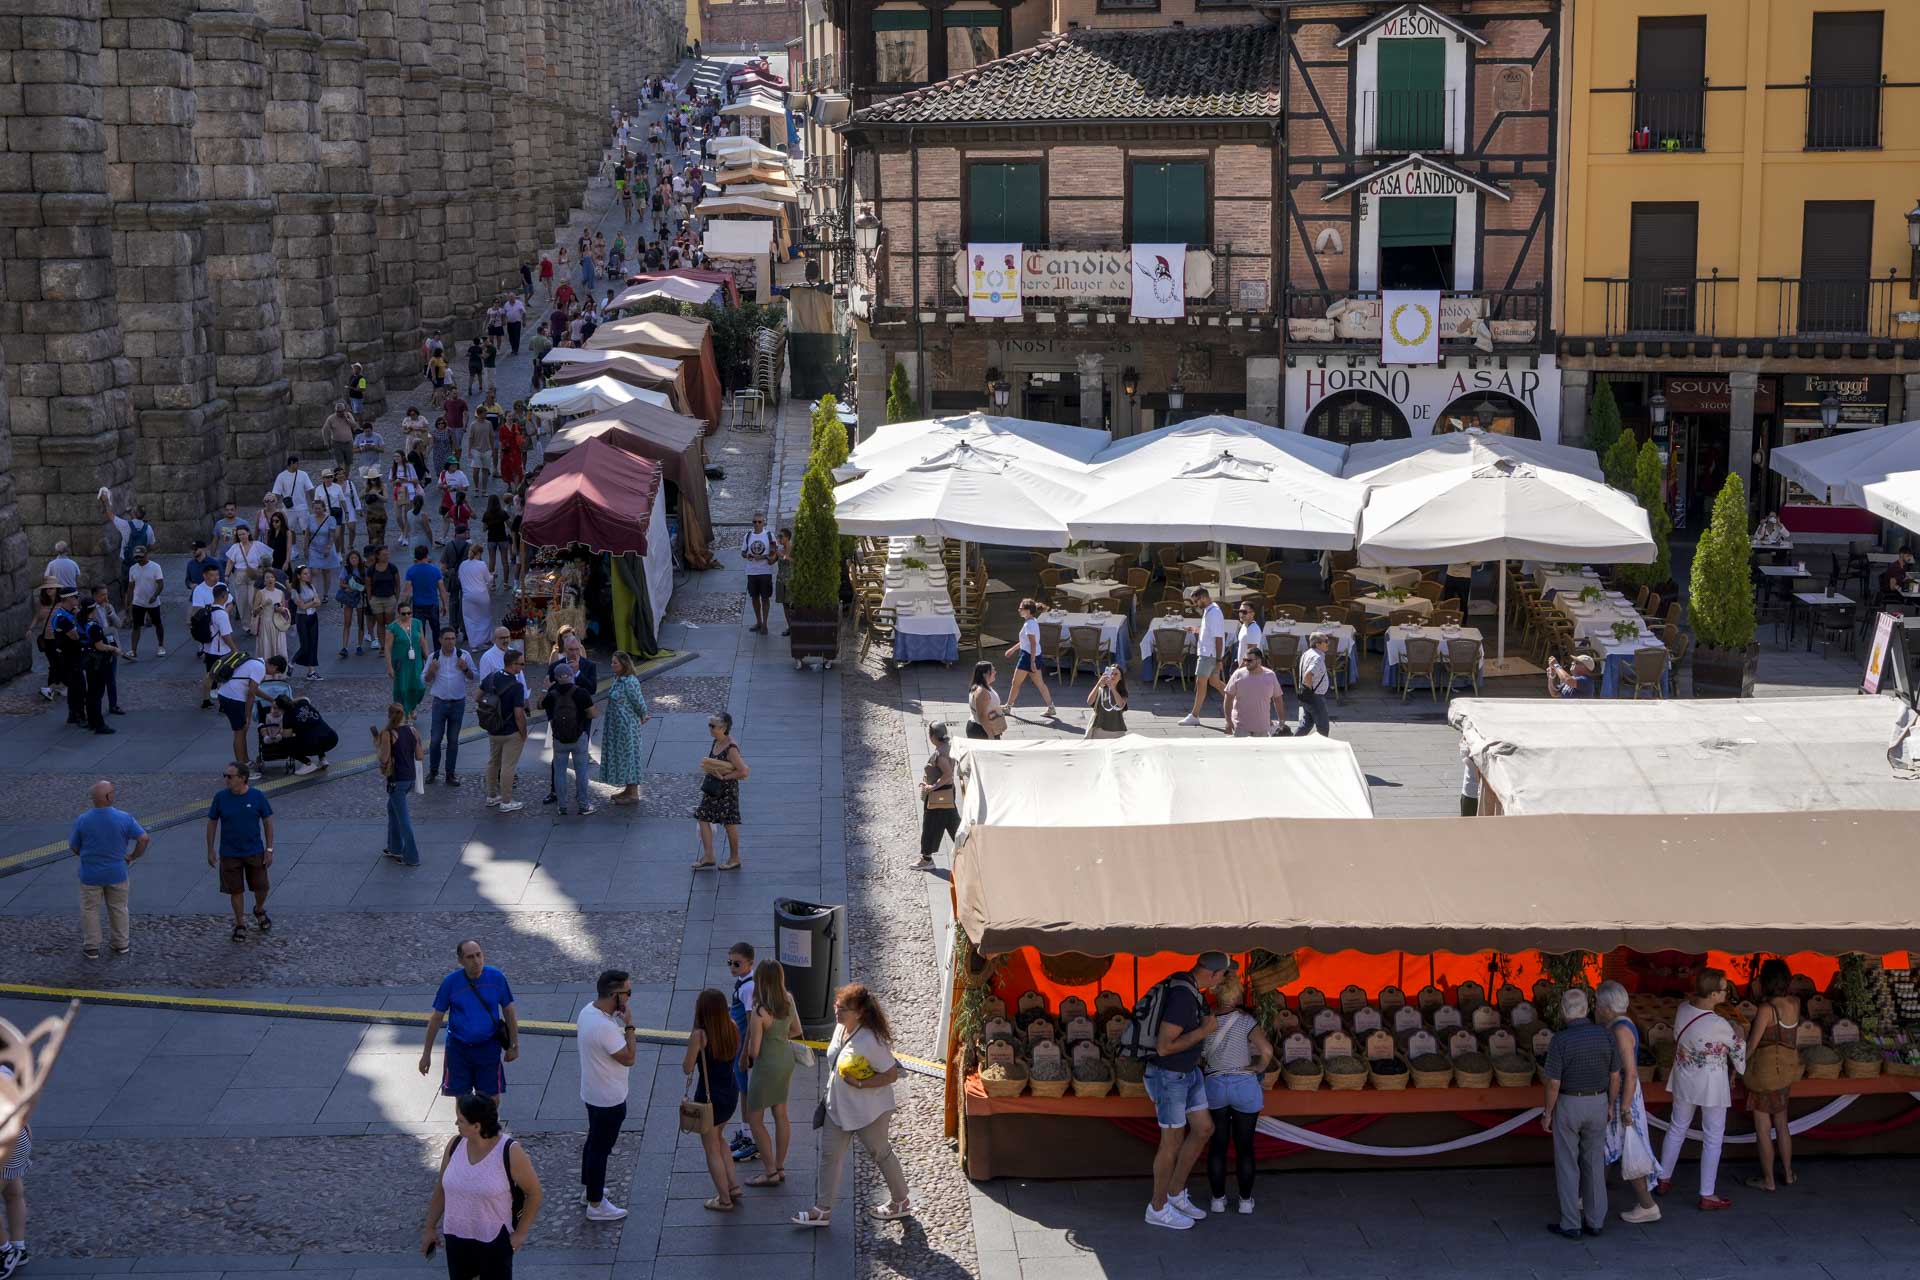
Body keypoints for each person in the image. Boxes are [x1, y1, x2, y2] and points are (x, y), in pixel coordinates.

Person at [791, 983, 910, 1227]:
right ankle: (822, 1210)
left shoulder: (871, 1041)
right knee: (829, 1156)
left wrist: (859, 1084)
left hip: (869, 1112)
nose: (838, 1011)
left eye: (844, 1008)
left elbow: (890, 1075)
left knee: (881, 1153)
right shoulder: (840, 1028)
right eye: (837, 1006)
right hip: (838, 1107)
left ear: (860, 1013)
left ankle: (901, 1201)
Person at [1142, 953, 1228, 1231]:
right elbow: (1164, 1047)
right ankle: (1157, 1207)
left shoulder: (1190, 988)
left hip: (1189, 1073)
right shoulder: (1183, 996)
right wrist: (1204, 1031)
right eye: (1225, 974)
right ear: (1214, 975)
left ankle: (1175, 1193)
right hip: (1170, 1077)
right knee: (1172, 1142)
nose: (1225, 980)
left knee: (1203, 1128)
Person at [419, 1093, 542, 1279]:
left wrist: (521, 1233)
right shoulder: (455, 1145)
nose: (456, 1124)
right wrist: (429, 1227)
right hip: (456, 1236)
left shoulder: (509, 1151)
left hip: (493, 1240)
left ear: (477, 1126)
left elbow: (534, 1193)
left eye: (460, 1120)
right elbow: (442, 1189)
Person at [1655, 967, 1745, 1211]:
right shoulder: (1719, 1024)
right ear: (1714, 994)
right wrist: (1739, 1033)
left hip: (1684, 1078)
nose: (1727, 993)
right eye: (1725, 990)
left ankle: (1663, 1178)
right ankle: (1707, 1193)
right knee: (1713, 1138)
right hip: (1711, 1085)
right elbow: (1738, 1052)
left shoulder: (1684, 1009)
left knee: (1677, 1127)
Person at [1542, 987, 1622, 1239]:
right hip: (1598, 1102)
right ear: (1587, 1009)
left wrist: (1547, 1113)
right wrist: (1610, 1104)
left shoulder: (1560, 1040)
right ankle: (1596, 1221)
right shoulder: (1606, 1036)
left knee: (1567, 1165)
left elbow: (1553, 1083)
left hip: (1569, 1103)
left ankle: (1571, 1223)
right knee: (1594, 1163)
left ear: (1565, 1011)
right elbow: (1615, 1075)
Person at [1201, 969, 1271, 1216]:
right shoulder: (1245, 1021)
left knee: (1217, 1147)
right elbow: (1266, 1050)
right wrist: (1257, 1068)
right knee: (1245, 1147)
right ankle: (1244, 1201)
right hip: (1244, 1085)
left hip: (1215, 1086)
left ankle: (1217, 1200)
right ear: (1237, 992)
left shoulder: (1206, 1020)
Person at [422, 939, 520, 1102]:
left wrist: (514, 1045)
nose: (476, 961)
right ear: (460, 961)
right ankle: (465, 1125)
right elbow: (435, 1019)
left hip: (488, 1047)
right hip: (459, 1050)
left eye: (478, 955)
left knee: (492, 1099)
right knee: (462, 1100)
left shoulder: (496, 978)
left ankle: (488, 1126)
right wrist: (426, 1054)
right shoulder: (450, 983)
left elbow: (509, 1011)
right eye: (470, 957)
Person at [1597, 980, 1662, 1224]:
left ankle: (1648, 1205)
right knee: (1605, 1145)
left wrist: (1623, 1108)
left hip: (1624, 1096)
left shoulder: (1620, 1030)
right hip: (1621, 1094)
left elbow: (1631, 1072)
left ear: (1605, 1007)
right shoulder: (1622, 1024)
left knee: (1629, 1149)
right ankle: (1593, 1194)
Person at [577, 969, 639, 1221]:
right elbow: (629, 1058)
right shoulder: (606, 1028)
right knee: (601, 1149)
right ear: (615, 995)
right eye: (628, 993)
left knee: (593, 1143)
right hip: (609, 1098)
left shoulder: (587, 1011)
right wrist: (630, 1026)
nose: (629, 998)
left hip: (592, 1091)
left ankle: (590, 1189)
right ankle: (596, 1203)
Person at [682, 987, 744, 1212]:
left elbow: (687, 1067)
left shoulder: (700, 1036)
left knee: (711, 1149)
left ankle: (724, 1199)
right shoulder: (733, 1027)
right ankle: (733, 1186)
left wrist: (694, 1032)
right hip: (730, 1092)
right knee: (720, 1140)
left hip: (709, 1099)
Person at [71, 780, 149, 959]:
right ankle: (121, 944)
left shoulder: (83, 820)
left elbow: (74, 846)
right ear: (108, 797)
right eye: (113, 792)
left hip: (90, 874)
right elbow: (144, 838)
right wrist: (132, 856)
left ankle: (92, 947)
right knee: (119, 908)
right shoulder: (124, 817)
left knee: (90, 909)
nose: (114, 794)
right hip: (117, 873)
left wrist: (87, 856)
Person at [742, 959, 801, 1190]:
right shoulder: (788, 999)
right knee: (781, 1113)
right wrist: (779, 1037)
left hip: (766, 1065)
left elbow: (754, 1051)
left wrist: (748, 1050)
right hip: (786, 1060)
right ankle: (780, 1166)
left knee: (755, 1118)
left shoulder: (760, 1011)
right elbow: (796, 1030)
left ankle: (769, 1172)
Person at [1744, 957, 1802, 1193]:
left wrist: (1735, 1067)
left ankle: (1768, 1180)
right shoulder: (1795, 1003)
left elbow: (1752, 1046)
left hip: (1764, 1074)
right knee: (1782, 1123)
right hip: (1785, 1073)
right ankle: (1788, 1174)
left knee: (1762, 1127)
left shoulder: (1766, 1010)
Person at [206, 759, 274, 943]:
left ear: (242, 778)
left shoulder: (257, 796)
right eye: (225, 775)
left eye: (229, 776)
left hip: (254, 851)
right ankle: (240, 923)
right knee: (235, 890)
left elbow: (267, 821)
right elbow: (212, 823)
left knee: (262, 886)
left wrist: (269, 849)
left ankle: (259, 909)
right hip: (230, 853)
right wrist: (210, 849)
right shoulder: (220, 797)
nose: (226, 779)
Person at [691, 712, 747, 870]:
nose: (710, 728)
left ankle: (735, 858)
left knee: (729, 823)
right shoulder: (717, 741)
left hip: (726, 790)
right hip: (713, 788)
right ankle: (709, 855)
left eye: (713, 726)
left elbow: (743, 771)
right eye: (710, 725)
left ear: (724, 728)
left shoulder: (731, 748)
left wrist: (725, 777)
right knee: (702, 817)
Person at [542, 662, 597, 815]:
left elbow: (541, 705)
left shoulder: (552, 693)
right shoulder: (581, 692)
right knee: (581, 772)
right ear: (571, 675)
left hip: (559, 738)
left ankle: (562, 806)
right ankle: (584, 805)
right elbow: (593, 713)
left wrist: (545, 688)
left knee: (559, 773)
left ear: (557, 678)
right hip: (579, 737)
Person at [374, 702, 425, 867]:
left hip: (397, 781)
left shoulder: (388, 734)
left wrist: (378, 745)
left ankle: (412, 856)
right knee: (392, 809)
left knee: (404, 820)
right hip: (410, 778)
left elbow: (384, 759)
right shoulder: (412, 730)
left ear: (389, 716)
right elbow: (419, 756)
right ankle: (394, 847)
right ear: (404, 715)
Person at [425, 629, 477, 786]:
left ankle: (450, 773)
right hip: (439, 703)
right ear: (440, 640)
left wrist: (465, 668)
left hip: (457, 704)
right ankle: (433, 771)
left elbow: (474, 676)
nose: (450, 642)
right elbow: (425, 679)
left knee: (453, 740)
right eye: (447, 639)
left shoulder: (464, 656)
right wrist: (431, 671)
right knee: (435, 740)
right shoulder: (433, 657)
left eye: (453, 638)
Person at [600, 650, 650, 805]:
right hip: (616, 726)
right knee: (621, 756)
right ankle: (628, 789)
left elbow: (638, 701)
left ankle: (633, 793)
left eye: (615, 662)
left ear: (624, 664)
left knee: (629, 757)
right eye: (612, 662)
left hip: (626, 726)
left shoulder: (630, 681)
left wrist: (644, 715)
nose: (612, 665)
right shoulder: (618, 679)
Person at [482, 650, 530, 812]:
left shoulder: (492, 677)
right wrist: (524, 732)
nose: (522, 667)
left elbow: (477, 696)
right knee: (508, 766)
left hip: (494, 729)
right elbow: (518, 714)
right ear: (513, 664)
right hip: (511, 732)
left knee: (493, 762)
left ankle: (491, 796)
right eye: (521, 664)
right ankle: (506, 801)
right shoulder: (517, 686)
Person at [1178, 588, 1228, 727]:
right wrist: (1194, 630)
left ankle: (1194, 715)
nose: (1195, 605)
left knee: (1201, 683)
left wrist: (1219, 660)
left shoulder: (1214, 613)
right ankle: (1236, 702)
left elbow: (1218, 638)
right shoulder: (1210, 610)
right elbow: (1209, 631)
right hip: (1209, 654)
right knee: (1215, 683)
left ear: (1204, 598)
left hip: (1208, 654)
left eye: (1196, 601)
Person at [215, 647, 268, 776]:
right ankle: (242, 770)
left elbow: (253, 689)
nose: (269, 675)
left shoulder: (254, 662)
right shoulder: (260, 668)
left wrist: (271, 699)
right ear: (272, 666)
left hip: (228, 695)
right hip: (233, 699)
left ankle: (245, 761)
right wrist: (248, 716)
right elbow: (251, 694)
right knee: (239, 732)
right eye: (274, 671)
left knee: (242, 731)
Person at [1002, 598, 1056, 717]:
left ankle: (1008, 707)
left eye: (1021, 608)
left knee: (1015, 683)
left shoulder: (1028, 625)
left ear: (1027, 611)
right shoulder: (1032, 621)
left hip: (1028, 657)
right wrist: (1012, 649)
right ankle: (1051, 707)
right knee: (1040, 684)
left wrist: (1031, 661)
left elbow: (1032, 643)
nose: (1019, 610)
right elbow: (1025, 641)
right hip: (1034, 655)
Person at [916, 721, 958, 868]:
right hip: (946, 793)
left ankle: (926, 859)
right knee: (953, 823)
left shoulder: (940, 755)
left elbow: (947, 774)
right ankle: (969, 849)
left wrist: (932, 787)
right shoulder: (948, 746)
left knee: (930, 826)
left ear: (933, 736)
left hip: (938, 794)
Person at [1223, 647, 1287, 738]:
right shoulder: (1238, 674)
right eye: (1244, 660)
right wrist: (1228, 721)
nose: (1246, 663)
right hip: (1241, 727)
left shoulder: (1270, 675)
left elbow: (1278, 699)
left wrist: (1281, 721)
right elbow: (1228, 698)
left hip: (1262, 728)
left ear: (1259, 660)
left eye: (1249, 660)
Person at [386, 601, 429, 718]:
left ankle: (412, 706)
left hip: (416, 661)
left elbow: (423, 641)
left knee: (419, 687)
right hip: (401, 663)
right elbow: (387, 648)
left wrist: (428, 658)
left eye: (409, 613)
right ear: (398, 614)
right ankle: (405, 711)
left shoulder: (417, 623)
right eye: (404, 614)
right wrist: (389, 667)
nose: (407, 616)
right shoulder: (392, 627)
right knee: (403, 688)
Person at [124, 542, 166, 660]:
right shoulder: (133, 569)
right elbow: (130, 587)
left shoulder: (155, 567)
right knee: (136, 626)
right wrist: (128, 603)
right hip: (138, 602)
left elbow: (161, 584)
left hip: (153, 602)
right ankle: (133, 650)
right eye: (137, 557)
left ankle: (161, 645)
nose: (139, 559)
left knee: (157, 624)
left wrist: (155, 595)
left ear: (146, 555)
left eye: (141, 557)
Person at [225, 524, 268, 636]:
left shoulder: (258, 545)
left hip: (254, 574)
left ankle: (257, 623)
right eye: (239, 535)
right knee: (242, 602)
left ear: (248, 533)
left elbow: (268, 558)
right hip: (240, 574)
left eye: (243, 534)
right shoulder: (235, 547)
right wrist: (226, 575)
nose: (242, 536)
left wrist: (265, 570)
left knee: (252, 601)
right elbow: (230, 562)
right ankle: (247, 626)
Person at [1293, 632, 1335, 737]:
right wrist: (1311, 691)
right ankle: (1321, 750)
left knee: (1306, 724)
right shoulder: (1317, 658)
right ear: (1317, 644)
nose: (1328, 644)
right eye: (1325, 641)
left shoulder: (1307, 653)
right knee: (1323, 728)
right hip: (1314, 697)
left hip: (1305, 694)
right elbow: (1308, 675)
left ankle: (1292, 743)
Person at [740, 513, 775, 634]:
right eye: (754, 522)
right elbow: (743, 552)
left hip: (765, 571)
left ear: (763, 522)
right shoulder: (748, 536)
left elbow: (773, 553)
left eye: (759, 522)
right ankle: (758, 621)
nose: (757, 524)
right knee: (754, 598)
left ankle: (765, 624)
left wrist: (763, 557)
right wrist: (748, 555)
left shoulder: (770, 536)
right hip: (751, 571)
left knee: (765, 598)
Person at [251, 567, 290, 663]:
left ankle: (279, 674)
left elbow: (284, 610)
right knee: (267, 651)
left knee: (279, 650)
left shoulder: (280, 593)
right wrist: (263, 605)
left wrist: (281, 610)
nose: (270, 579)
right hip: (265, 626)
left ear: (275, 579)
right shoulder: (261, 593)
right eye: (267, 578)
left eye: (272, 577)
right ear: (264, 581)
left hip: (278, 625)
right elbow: (254, 612)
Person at [408, 544, 447, 639]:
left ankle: (422, 652)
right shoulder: (435, 570)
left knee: (420, 632)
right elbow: (442, 589)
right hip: (433, 604)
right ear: (427, 555)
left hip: (418, 605)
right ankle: (437, 652)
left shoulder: (411, 571)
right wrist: (445, 604)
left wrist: (405, 607)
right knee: (436, 630)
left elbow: (407, 592)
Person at [458, 544, 494, 648]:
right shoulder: (481, 564)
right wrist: (493, 575)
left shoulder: (462, 565)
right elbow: (488, 579)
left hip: (468, 596)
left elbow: (460, 578)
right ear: (479, 553)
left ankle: (474, 644)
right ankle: (486, 641)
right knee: (485, 618)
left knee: (470, 620)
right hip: (481, 595)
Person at [337, 548, 370, 656]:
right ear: (349, 559)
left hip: (359, 597)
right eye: (352, 558)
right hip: (349, 598)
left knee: (360, 622)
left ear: (359, 559)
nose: (354, 560)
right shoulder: (346, 569)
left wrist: (355, 588)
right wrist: (350, 587)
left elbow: (367, 585)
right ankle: (344, 647)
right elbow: (341, 583)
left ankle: (359, 645)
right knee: (347, 622)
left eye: (356, 558)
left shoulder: (363, 570)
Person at [1083, 662, 1128, 740]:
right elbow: (1089, 701)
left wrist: (1112, 688)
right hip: (1100, 728)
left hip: (1116, 729)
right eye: (1111, 673)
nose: (1113, 676)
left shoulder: (1122, 692)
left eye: (1116, 674)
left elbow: (1121, 705)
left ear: (1120, 678)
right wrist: (1098, 684)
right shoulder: (1101, 689)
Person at [966, 661, 1006, 740]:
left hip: (983, 728)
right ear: (985, 674)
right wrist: (990, 735)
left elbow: (986, 707)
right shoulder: (981, 692)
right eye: (993, 670)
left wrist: (999, 708)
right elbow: (981, 716)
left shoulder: (981, 686)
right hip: (982, 731)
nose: (995, 672)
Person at [324, 400, 358, 475]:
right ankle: (341, 477)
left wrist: (347, 419)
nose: (340, 413)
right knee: (340, 462)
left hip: (348, 442)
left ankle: (346, 477)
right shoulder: (331, 418)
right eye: (338, 411)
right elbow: (325, 430)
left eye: (341, 411)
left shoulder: (348, 415)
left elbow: (354, 425)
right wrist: (326, 441)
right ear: (335, 411)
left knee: (348, 462)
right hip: (337, 443)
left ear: (344, 410)